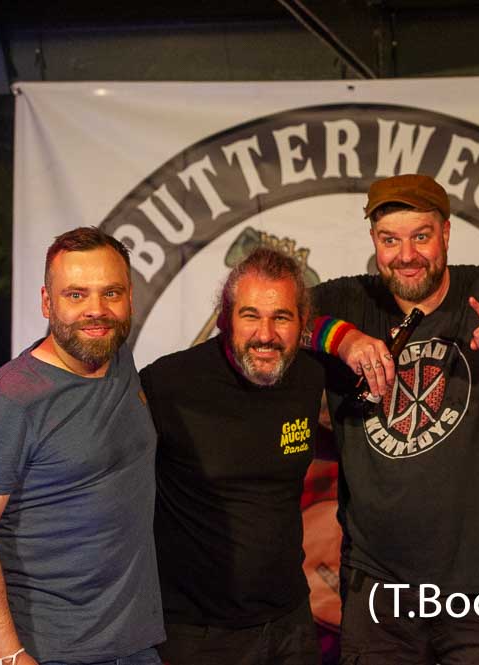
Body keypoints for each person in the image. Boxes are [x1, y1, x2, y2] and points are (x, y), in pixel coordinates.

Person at [311, 174, 479, 664]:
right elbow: (250, 319)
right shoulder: (350, 301)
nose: (406, 255)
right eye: (390, 240)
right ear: (373, 240)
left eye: (421, 236)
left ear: (446, 232)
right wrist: (341, 338)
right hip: (378, 593)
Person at [0, 227, 164, 665]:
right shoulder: (7, 404)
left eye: (111, 293)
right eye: (76, 295)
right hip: (50, 652)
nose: (96, 310)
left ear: (130, 298)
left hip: (135, 646)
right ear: (47, 302)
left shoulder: (117, 359)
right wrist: (8, 656)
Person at [139, 248, 326, 664]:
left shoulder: (309, 378)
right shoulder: (168, 382)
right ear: (226, 318)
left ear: (302, 323)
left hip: (290, 625)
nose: (266, 334)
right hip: (197, 636)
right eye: (250, 315)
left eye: (281, 317)